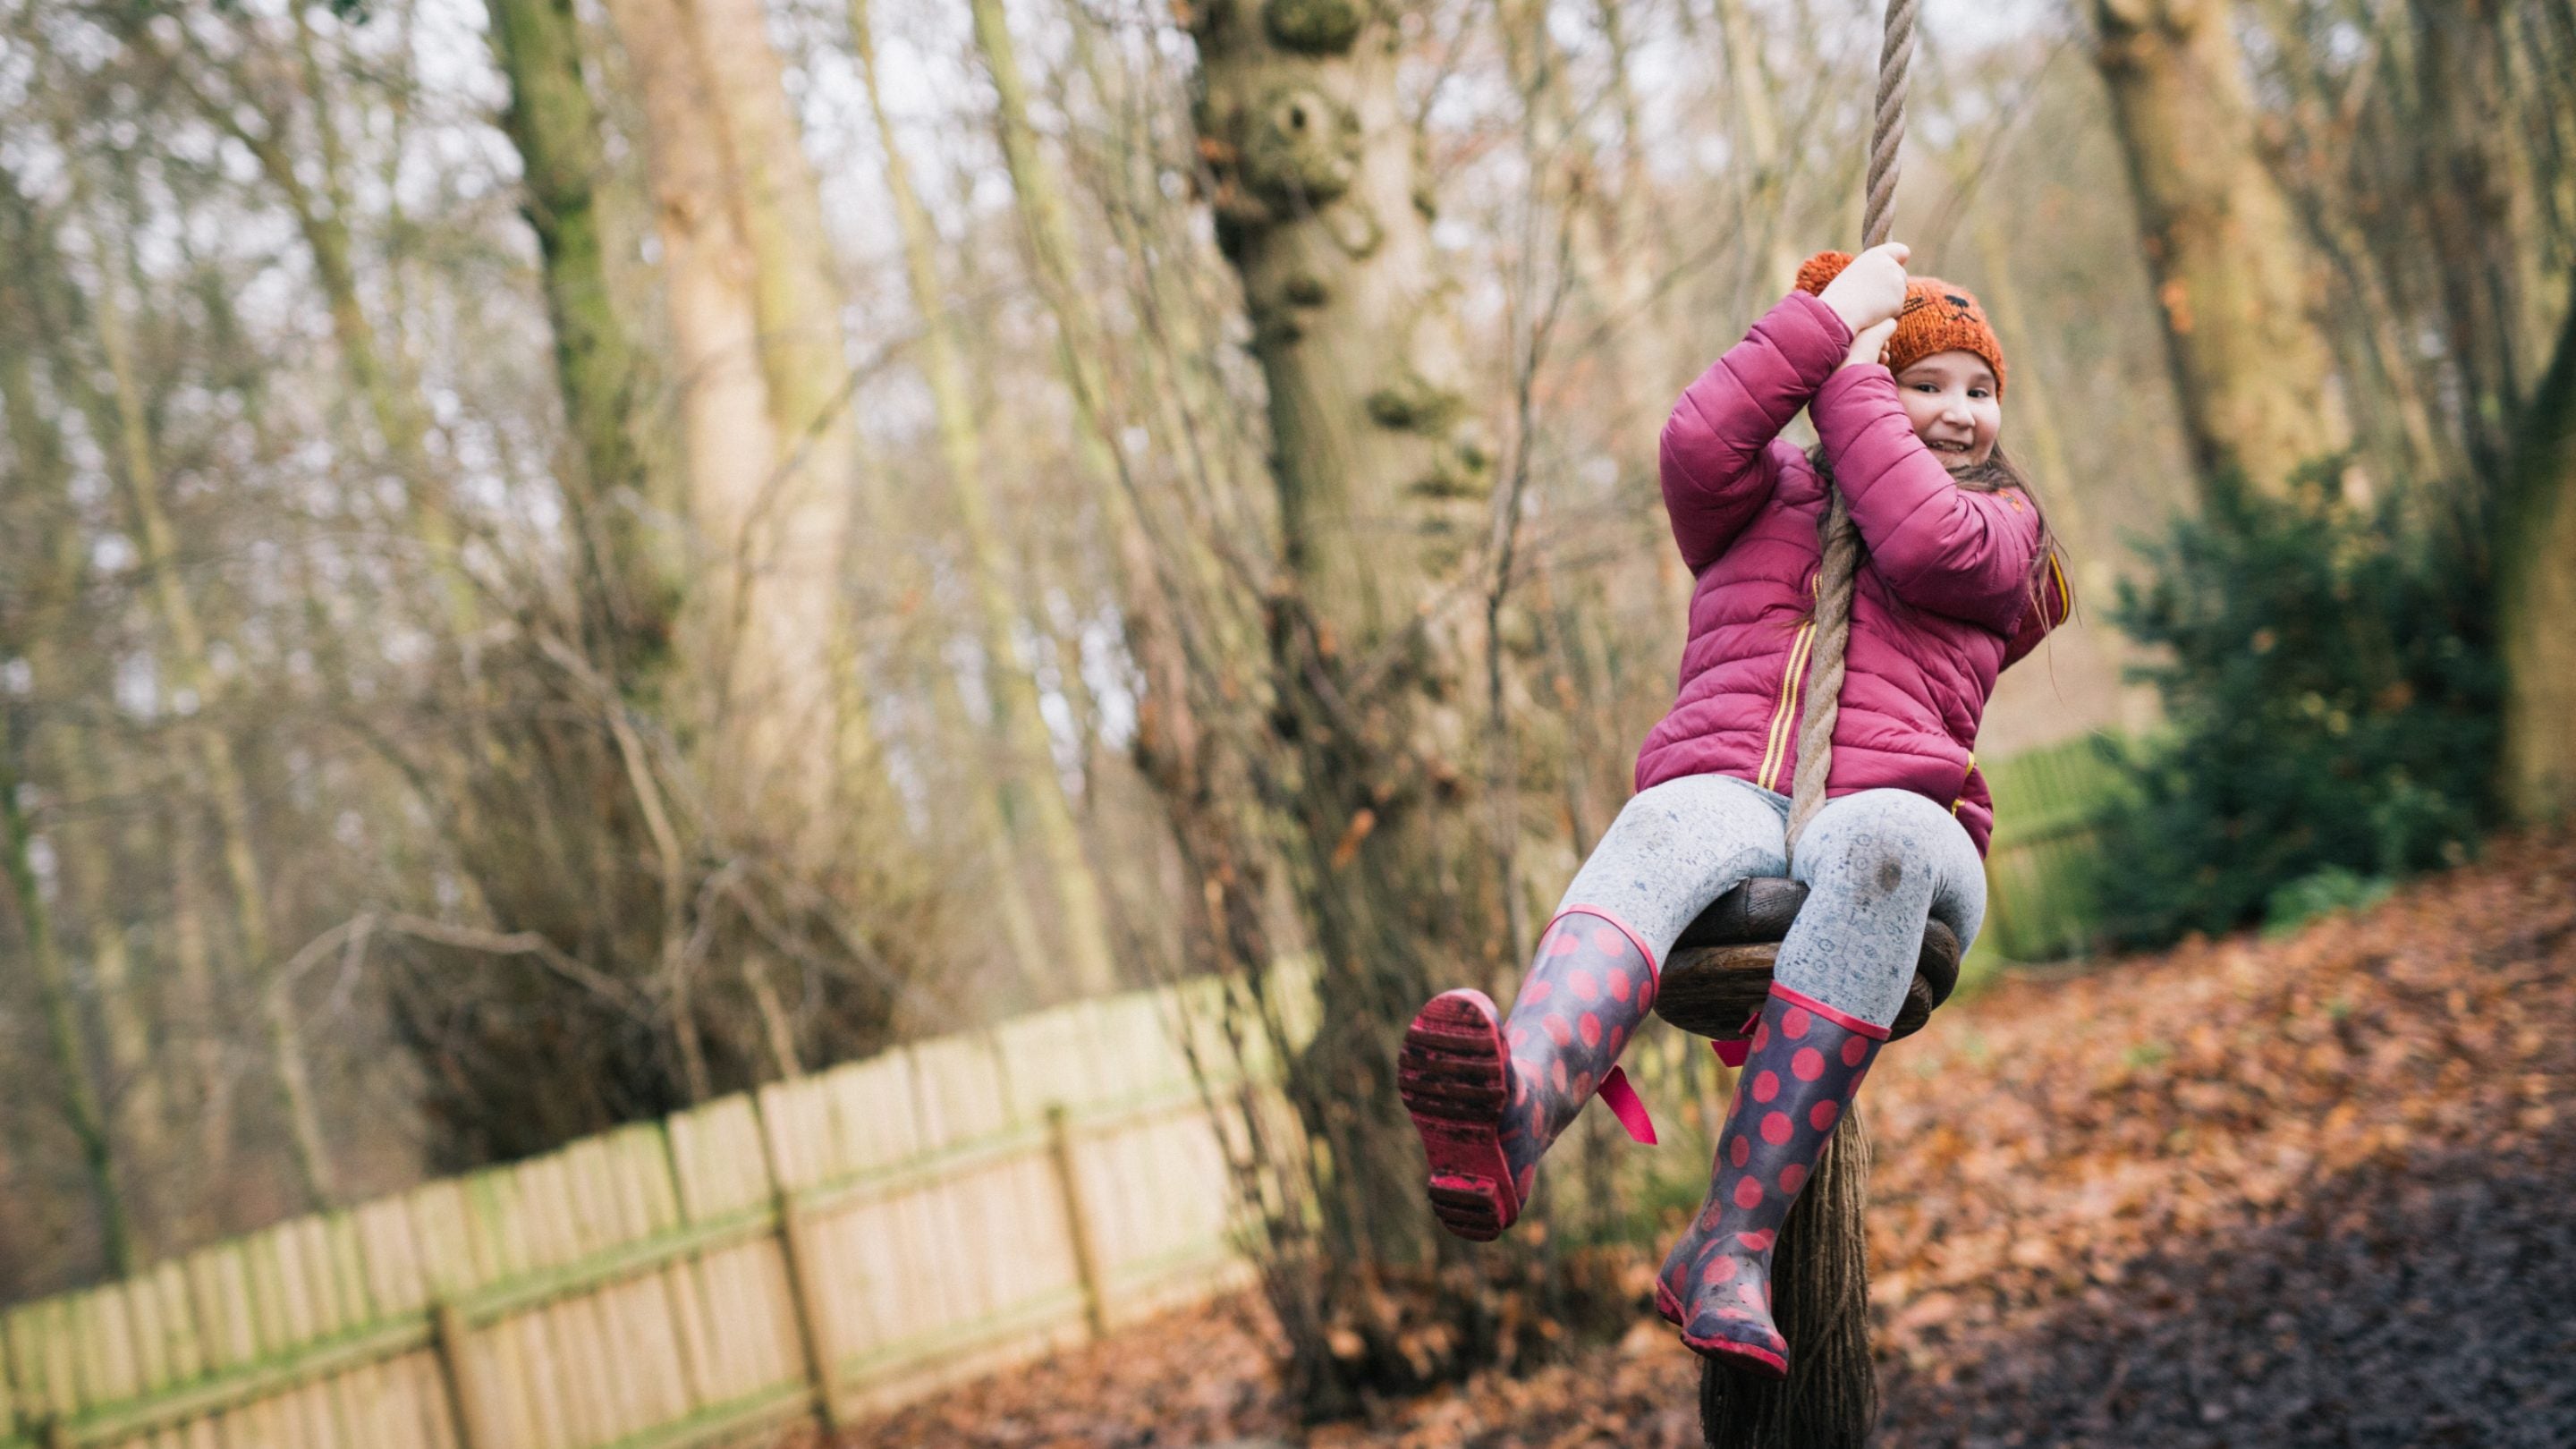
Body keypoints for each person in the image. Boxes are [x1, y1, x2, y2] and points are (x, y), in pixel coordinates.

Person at [1395, 242, 2072, 1379]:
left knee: (1882, 841)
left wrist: (1853, 376)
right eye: (1927, 382)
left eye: (1980, 389)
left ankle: (1731, 1239)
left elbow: (1912, 534)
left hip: (1904, 814)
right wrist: (1817, 331)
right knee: (1663, 823)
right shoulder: (1763, 495)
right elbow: (1695, 440)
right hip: (1737, 793)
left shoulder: (2005, 534)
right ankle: (1517, 1104)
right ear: (1861, 373)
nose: (1961, 415)